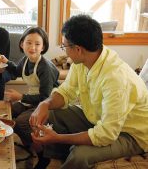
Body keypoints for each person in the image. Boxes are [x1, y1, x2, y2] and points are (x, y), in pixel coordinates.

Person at [29, 14, 148, 169]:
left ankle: (66, 158)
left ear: (78, 49)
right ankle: (48, 159)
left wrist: (58, 138)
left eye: (64, 46)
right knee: (51, 114)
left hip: (130, 134)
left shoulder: (115, 79)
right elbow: (67, 91)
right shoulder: (83, 60)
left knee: (80, 154)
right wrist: (45, 103)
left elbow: (106, 134)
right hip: (97, 117)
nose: (64, 51)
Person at [0, 27, 59, 147]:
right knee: (6, 113)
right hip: (32, 99)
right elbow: (17, 71)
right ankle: (28, 143)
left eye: (37, 44)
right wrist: (5, 61)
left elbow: (45, 97)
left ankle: (42, 151)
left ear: (43, 47)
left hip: (47, 103)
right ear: (22, 44)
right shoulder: (26, 60)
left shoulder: (45, 68)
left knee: (19, 122)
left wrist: (20, 97)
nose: (32, 47)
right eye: (28, 43)